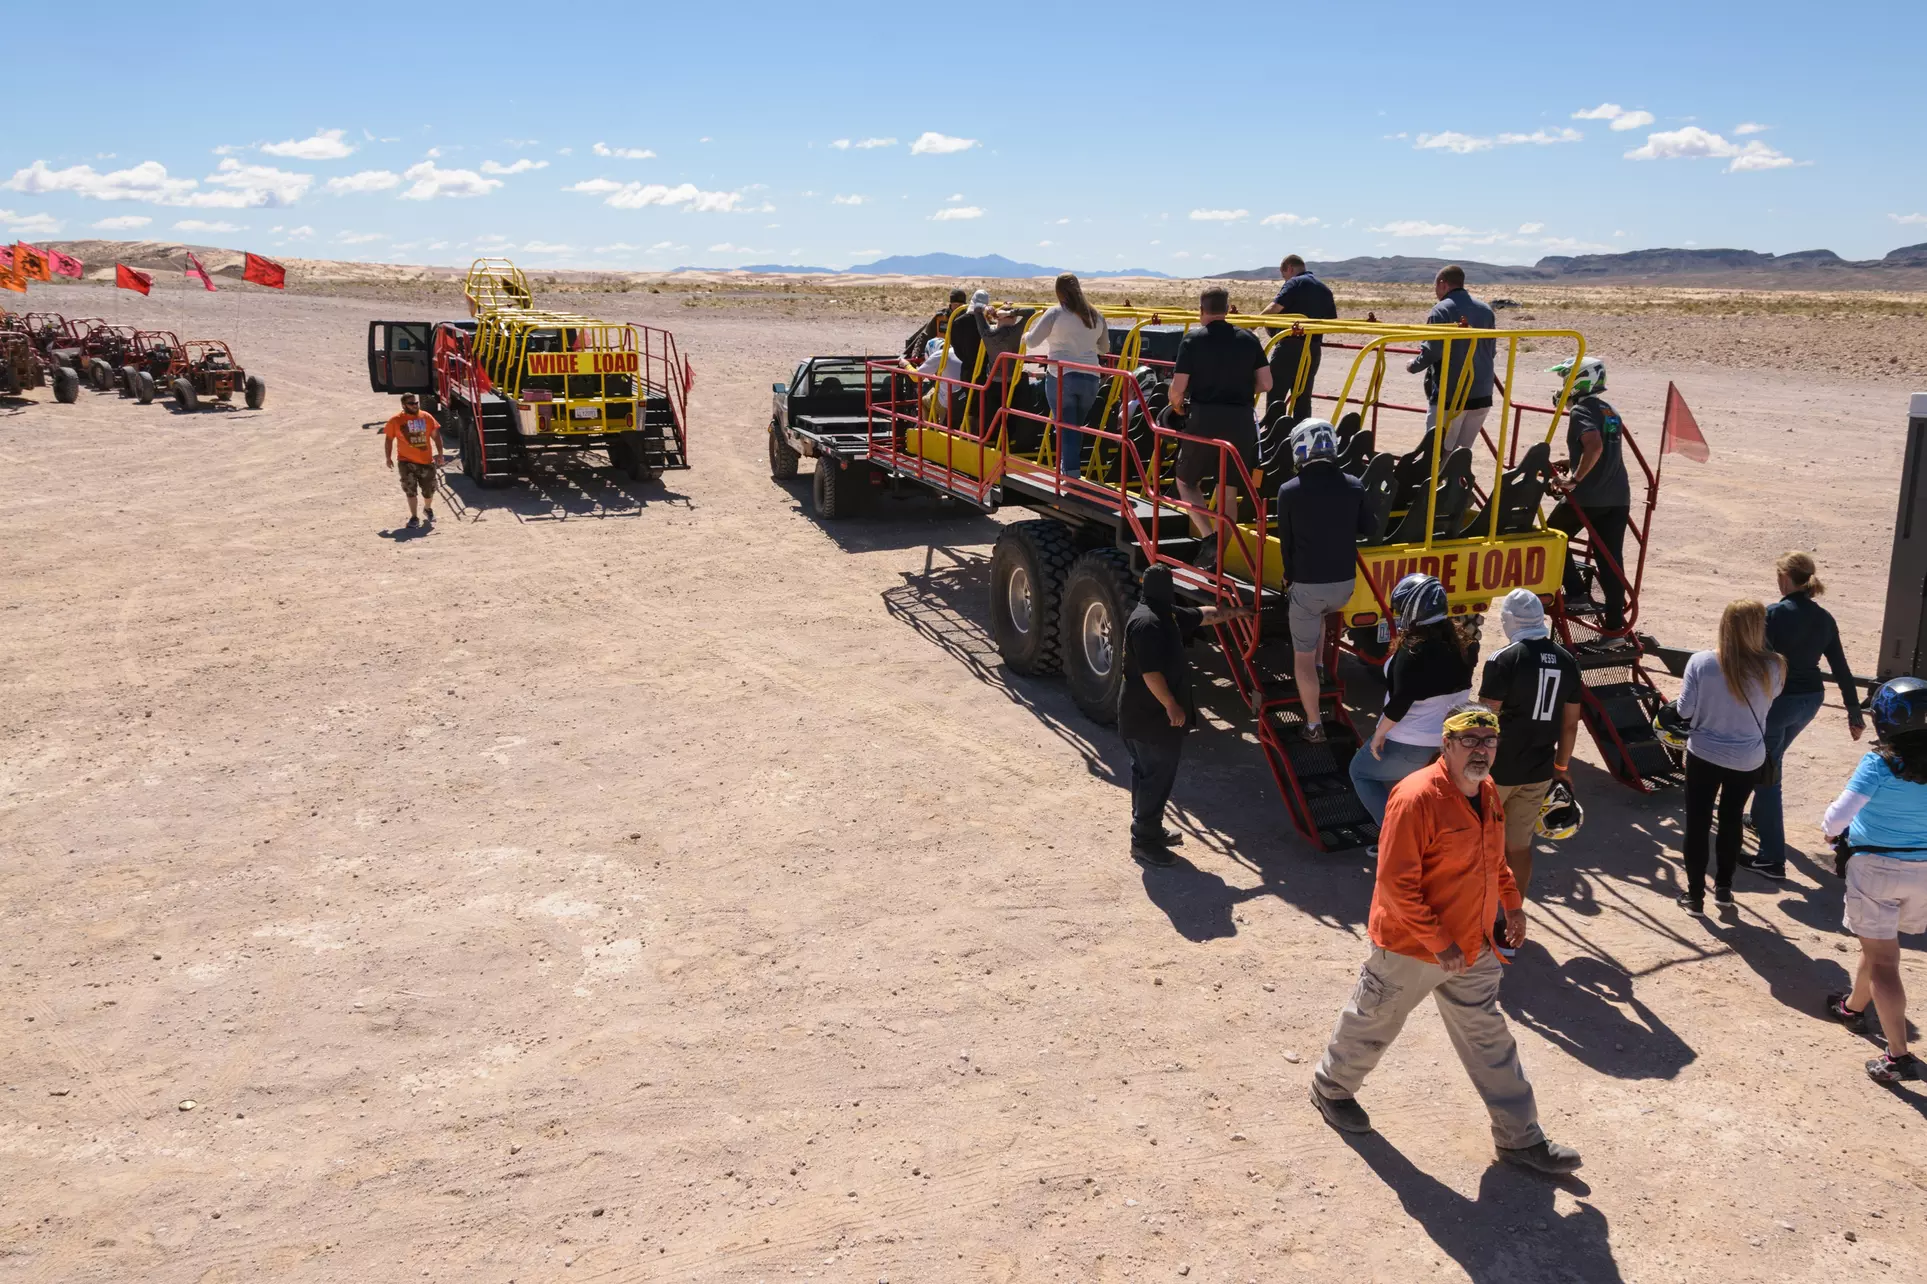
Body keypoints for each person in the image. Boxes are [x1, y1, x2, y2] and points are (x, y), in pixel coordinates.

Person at [1311, 702, 1583, 1176]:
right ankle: (1331, 1088)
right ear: (1446, 744)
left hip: (1472, 943)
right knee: (1374, 1020)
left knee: (1489, 1039)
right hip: (1410, 945)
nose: (1481, 750)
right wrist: (1439, 942)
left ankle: (1520, 1138)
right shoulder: (1416, 798)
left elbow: (1494, 857)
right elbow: (1397, 884)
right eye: (1470, 740)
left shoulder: (1488, 790)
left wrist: (1512, 903)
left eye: (1489, 740)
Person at [1822, 676, 1927, 1083]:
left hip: (1878, 869)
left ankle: (1898, 1057)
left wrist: (1830, 833)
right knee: (1879, 942)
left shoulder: (1880, 763)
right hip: (1922, 873)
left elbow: (1836, 819)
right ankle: (1852, 1007)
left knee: (1885, 960)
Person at [1743, 551, 1866, 880]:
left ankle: (1771, 859)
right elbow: (1841, 668)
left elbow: (1760, 662)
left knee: (1767, 777)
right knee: (1774, 758)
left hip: (1779, 703)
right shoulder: (1824, 618)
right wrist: (1854, 713)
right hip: (1810, 702)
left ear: (1785, 578)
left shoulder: (1773, 614)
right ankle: (1758, 819)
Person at [1118, 564, 1251, 866]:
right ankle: (1143, 841)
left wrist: (1237, 612)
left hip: (1147, 717)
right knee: (1155, 777)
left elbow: (1204, 614)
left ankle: (1149, 829)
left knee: (1149, 774)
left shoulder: (1166, 614)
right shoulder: (1147, 623)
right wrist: (1171, 705)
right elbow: (1150, 673)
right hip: (1148, 717)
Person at [1478, 588, 1582, 950]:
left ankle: (1478, 921)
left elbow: (1486, 719)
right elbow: (1570, 724)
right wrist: (1562, 766)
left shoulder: (1504, 659)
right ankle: (1510, 923)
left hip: (1497, 770)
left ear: (1509, 620)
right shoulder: (1568, 660)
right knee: (1519, 849)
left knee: (1480, 846)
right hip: (1538, 769)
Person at [1674, 599, 1785, 915]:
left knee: (1697, 823)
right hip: (1747, 758)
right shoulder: (1775, 666)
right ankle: (1724, 888)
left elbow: (1684, 710)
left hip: (1704, 755)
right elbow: (1770, 700)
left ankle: (1695, 896)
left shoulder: (1702, 663)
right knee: (1732, 818)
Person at [1351, 574, 1476, 833]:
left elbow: (1399, 704)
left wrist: (1378, 736)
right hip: (1447, 742)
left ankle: (1396, 837)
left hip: (1410, 743)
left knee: (1360, 772)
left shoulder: (1412, 652)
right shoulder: (1466, 645)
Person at [1272, 418, 1371, 742]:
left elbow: (1286, 545)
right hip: (1344, 586)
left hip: (1309, 587)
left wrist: (1291, 576)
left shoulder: (1289, 491)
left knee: (1299, 655)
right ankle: (1318, 668)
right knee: (1322, 614)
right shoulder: (1354, 484)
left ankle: (1313, 725)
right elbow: (1369, 527)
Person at [1167, 287, 1272, 566]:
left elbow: (1177, 390)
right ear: (1228, 309)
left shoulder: (1192, 341)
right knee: (1228, 491)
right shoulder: (1248, 339)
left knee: (1186, 481)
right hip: (1240, 422)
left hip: (1204, 419)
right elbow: (1266, 383)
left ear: (1202, 310)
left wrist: (1178, 407)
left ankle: (1208, 537)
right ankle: (1219, 556)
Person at [1545, 356, 1632, 632]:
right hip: (1617, 495)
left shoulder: (1581, 411)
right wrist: (1572, 462)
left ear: (1579, 380)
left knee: (1549, 538)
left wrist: (1574, 478)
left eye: (1565, 379)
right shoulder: (1609, 409)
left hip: (1590, 496)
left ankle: (1576, 592)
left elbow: (1594, 446)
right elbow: (1603, 451)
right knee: (1610, 559)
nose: (1562, 386)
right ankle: (1616, 628)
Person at [1024, 272, 1111, 481]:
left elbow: (1032, 342)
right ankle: (1067, 469)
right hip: (1091, 378)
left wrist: (1025, 334)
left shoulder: (1055, 313)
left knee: (1067, 428)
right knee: (1074, 428)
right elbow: (1105, 348)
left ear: (1059, 291)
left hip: (1063, 376)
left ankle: (1070, 476)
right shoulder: (1096, 315)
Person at [1407, 265, 1495, 457]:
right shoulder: (1486, 310)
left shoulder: (1441, 310)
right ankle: (1452, 485)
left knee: (1435, 452)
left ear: (1442, 284)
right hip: (1482, 392)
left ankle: (1432, 486)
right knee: (1460, 454)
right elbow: (1492, 351)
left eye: (1435, 287)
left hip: (1451, 394)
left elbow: (1432, 351)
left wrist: (1413, 365)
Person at [1260, 254, 1337, 420]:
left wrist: (1251, 325)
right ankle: (1302, 436)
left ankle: (1275, 438)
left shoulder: (1295, 282)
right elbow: (1330, 321)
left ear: (1289, 268)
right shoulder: (1324, 289)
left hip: (1290, 347)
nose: (1285, 280)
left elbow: (1274, 307)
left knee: (1276, 394)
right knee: (1303, 396)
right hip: (1313, 348)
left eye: (1284, 276)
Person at [383, 391, 443, 529]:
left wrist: (440, 454)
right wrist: (388, 457)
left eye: (416, 402)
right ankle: (414, 517)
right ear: (404, 405)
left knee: (429, 490)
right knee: (410, 490)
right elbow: (389, 439)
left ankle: (427, 509)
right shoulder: (396, 420)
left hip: (426, 461)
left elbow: (436, 435)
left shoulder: (426, 417)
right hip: (406, 461)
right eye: (411, 403)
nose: (415, 405)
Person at [903, 287, 968, 363]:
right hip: (941, 357)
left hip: (961, 359)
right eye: (955, 305)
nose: (958, 308)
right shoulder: (940, 318)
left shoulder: (969, 319)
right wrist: (916, 353)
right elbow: (925, 335)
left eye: (960, 305)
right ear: (950, 305)